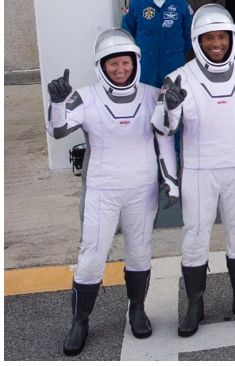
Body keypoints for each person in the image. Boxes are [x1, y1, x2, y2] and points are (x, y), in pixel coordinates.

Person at [46, 29, 179, 355]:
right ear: (101, 66)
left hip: (142, 189)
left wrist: (172, 108)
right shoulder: (85, 96)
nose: (120, 69)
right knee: (92, 257)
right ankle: (80, 321)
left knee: (139, 252)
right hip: (102, 190)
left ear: (135, 62)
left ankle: (136, 309)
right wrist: (57, 103)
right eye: (112, 64)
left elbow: (166, 132)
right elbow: (59, 129)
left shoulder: (152, 94)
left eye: (126, 62)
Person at [151, 4, 235, 336]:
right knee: (194, 238)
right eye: (209, 38)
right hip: (198, 171)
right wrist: (170, 178)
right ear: (197, 40)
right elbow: (163, 131)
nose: (216, 43)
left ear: (231, 38)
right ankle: (195, 304)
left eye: (221, 37)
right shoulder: (176, 78)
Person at [121, 0, 192, 88]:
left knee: (175, 102)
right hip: (145, 67)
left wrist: (176, 51)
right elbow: (126, 35)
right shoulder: (136, 5)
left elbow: (189, 35)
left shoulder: (181, 5)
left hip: (173, 64)